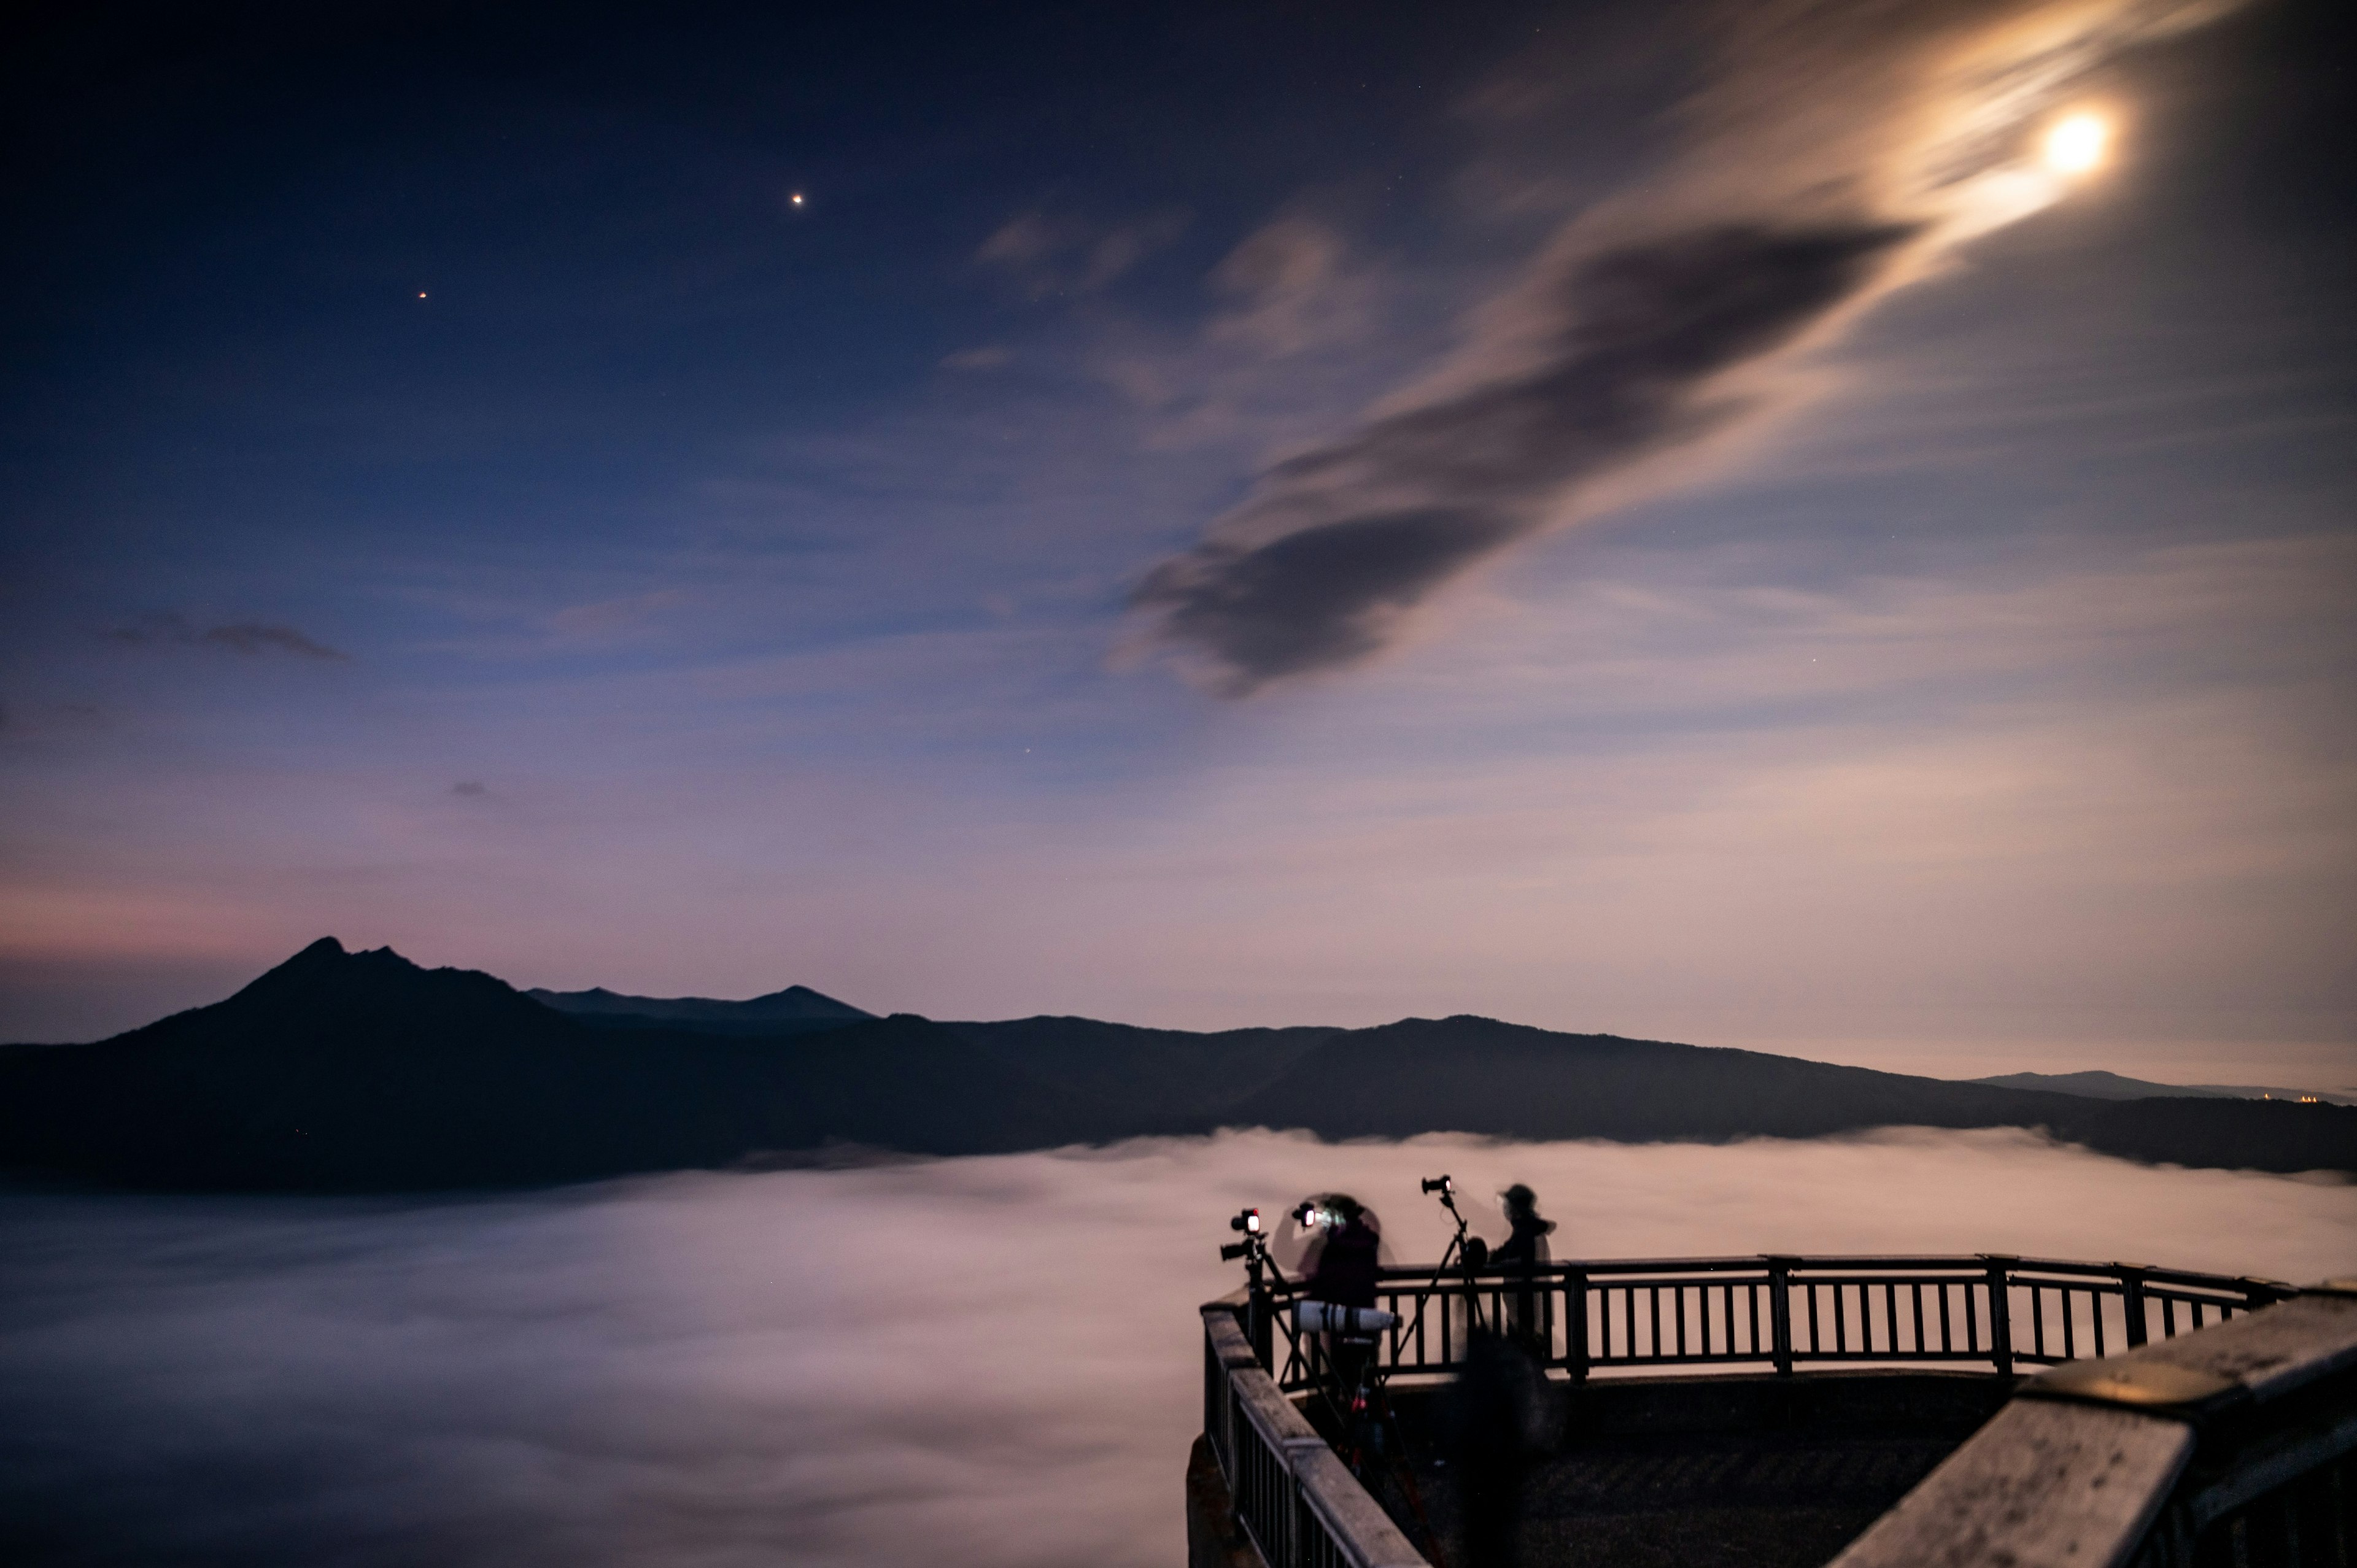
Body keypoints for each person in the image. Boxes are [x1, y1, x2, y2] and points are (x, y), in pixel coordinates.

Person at [1493, 1184, 1555, 1353]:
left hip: (1525, 1313)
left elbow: (1507, 1256)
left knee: (1525, 1359)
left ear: (1516, 1209)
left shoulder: (1525, 1234)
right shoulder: (1533, 1231)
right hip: (1532, 1311)